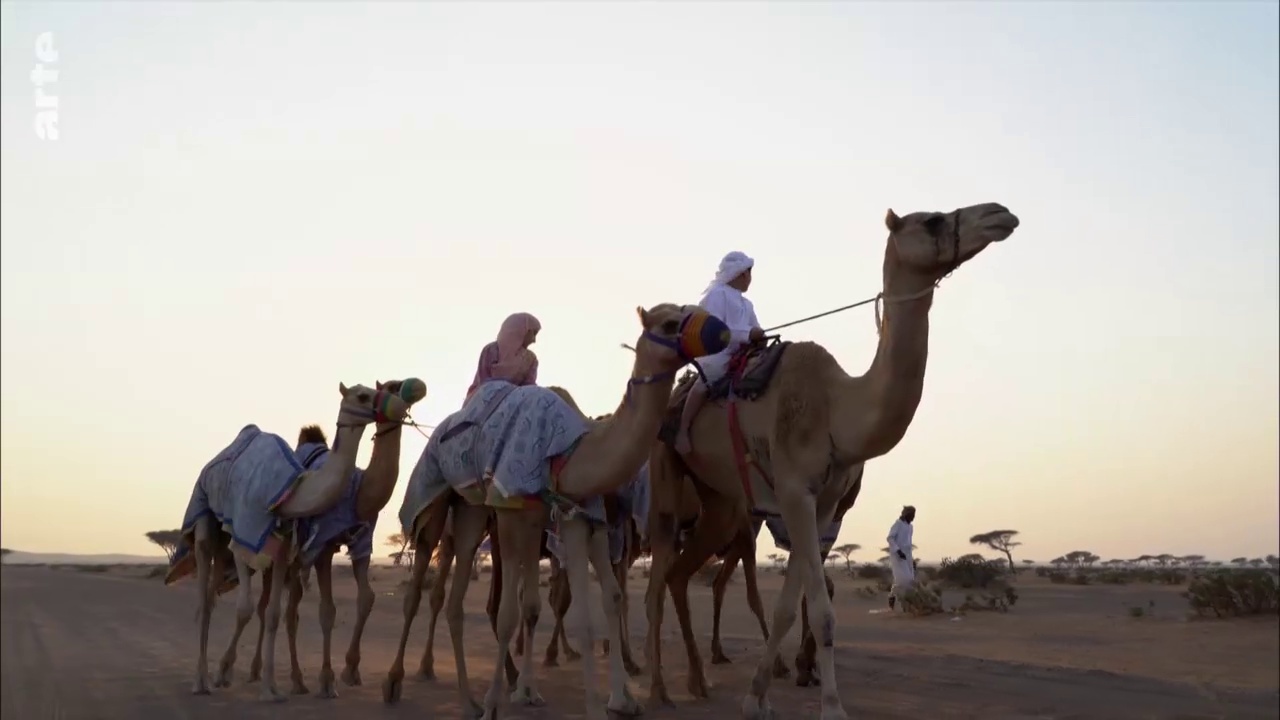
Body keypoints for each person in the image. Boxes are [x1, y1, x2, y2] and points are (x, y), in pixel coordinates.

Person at [673, 251, 764, 456]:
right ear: (741, 274)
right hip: (718, 352)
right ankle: (683, 430)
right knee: (710, 377)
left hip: (743, 351)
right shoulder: (716, 294)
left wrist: (760, 336)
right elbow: (718, 331)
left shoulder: (746, 304)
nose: (750, 278)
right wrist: (748, 334)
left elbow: (755, 327)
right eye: (749, 273)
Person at [466, 312, 541, 401]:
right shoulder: (491, 350)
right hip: (481, 399)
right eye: (533, 334)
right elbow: (483, 380)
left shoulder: (530, 359)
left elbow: (528, 387)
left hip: (513, 402)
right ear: (521, 330)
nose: (534, 340)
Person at [886, 505, 916, 610]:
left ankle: (893, 596)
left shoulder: (910, 527)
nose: (913, 517)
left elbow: (909, 543)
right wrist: (897, 551)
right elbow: (890, 538)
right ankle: (902, 601)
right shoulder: (897, 524)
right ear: (907, 514)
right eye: (912, 515)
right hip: (898, 555)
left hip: (907, 555)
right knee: (903, 580)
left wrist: (912, 559)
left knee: (910, 579)